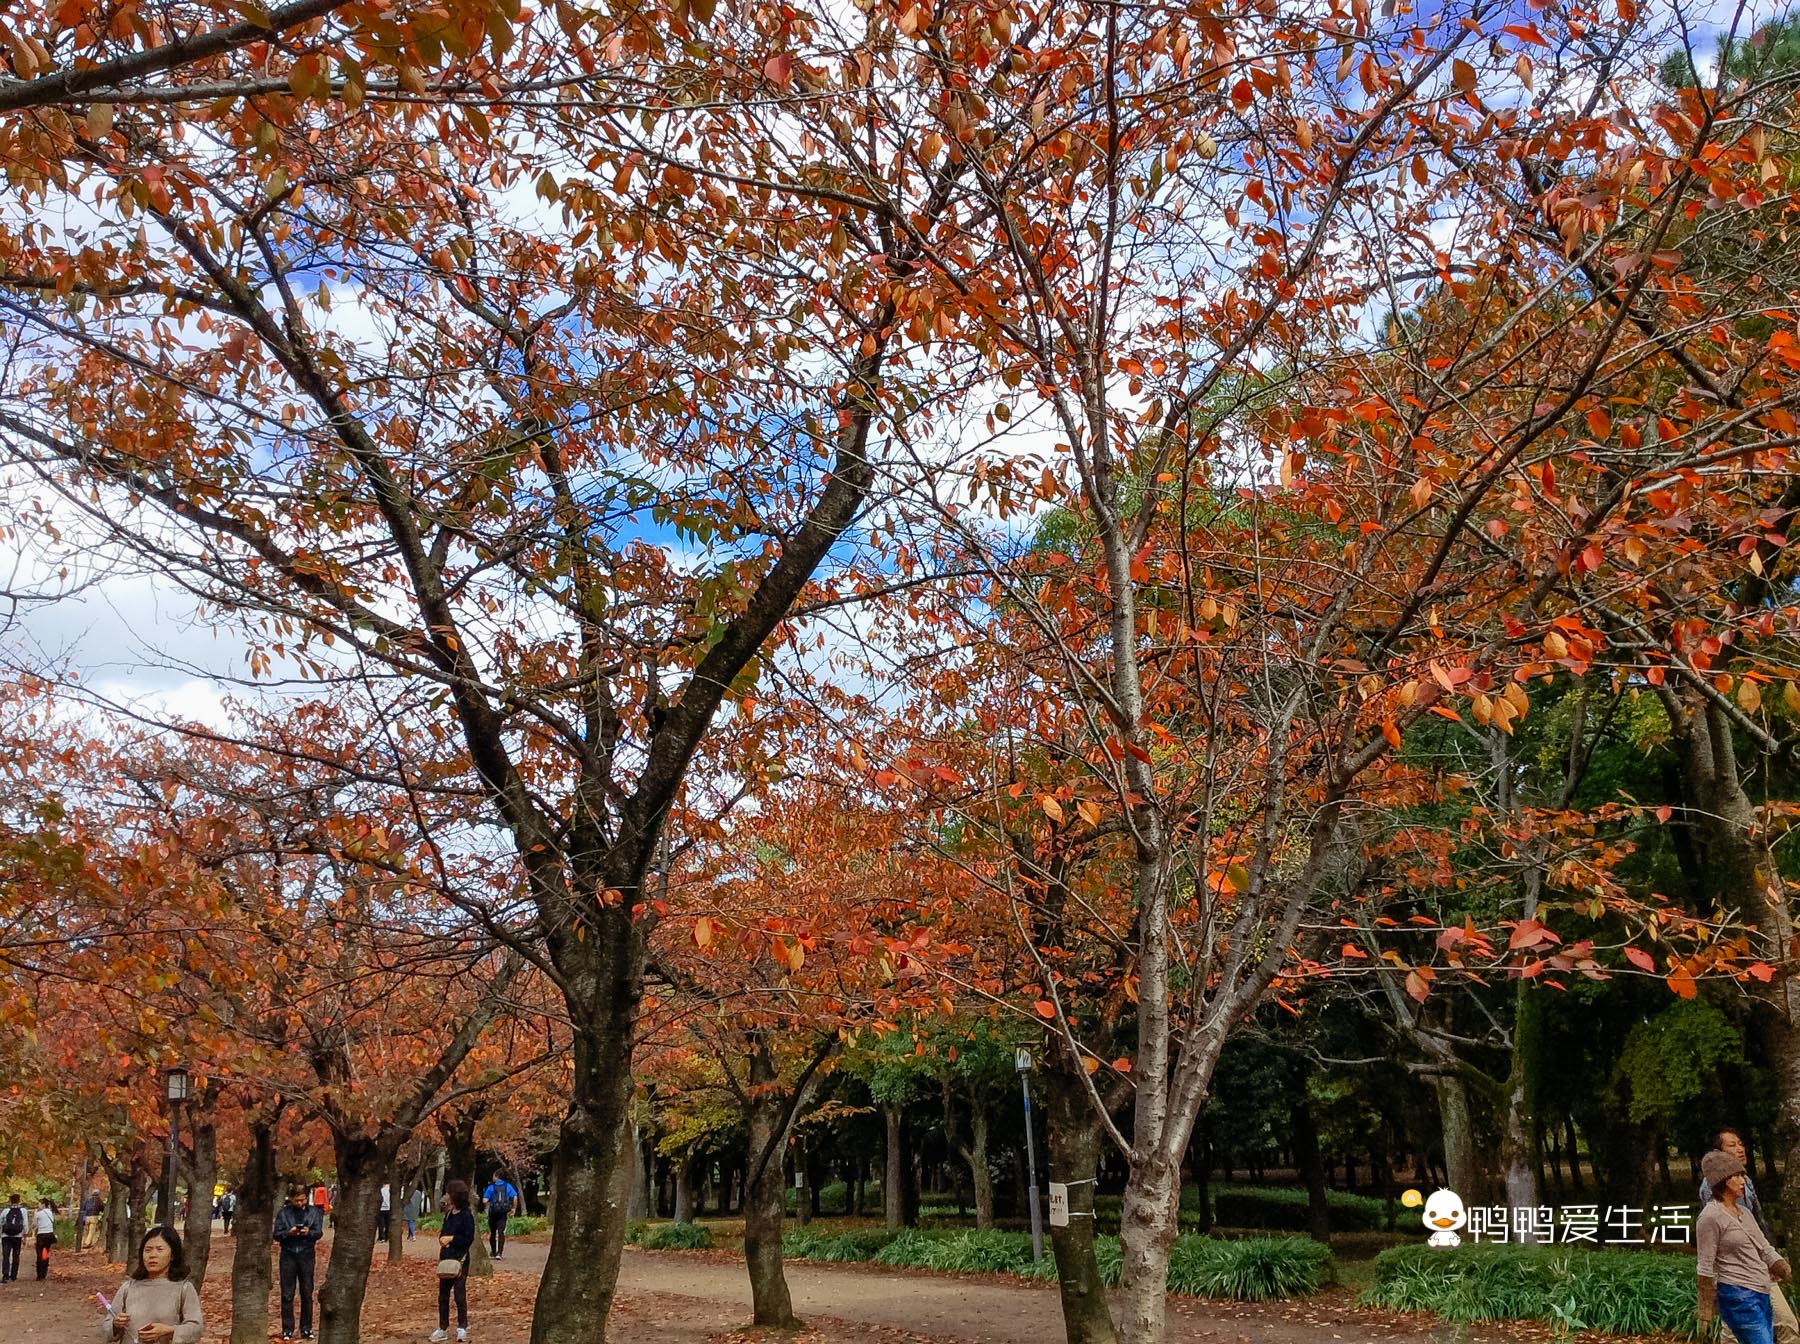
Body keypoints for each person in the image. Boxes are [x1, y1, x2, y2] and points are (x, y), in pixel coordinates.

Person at [1701, 1129, 1800, 1344]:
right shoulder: (1712, 1197)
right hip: (1736, 1283)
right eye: (1731, 1145)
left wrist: (1776, 1264)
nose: (1740, 1149)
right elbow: (1712, 1251)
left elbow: (1758, 1234)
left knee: (1785, 1328)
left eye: (1740, 1143)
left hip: (1758, 1274)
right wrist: (1706, 1306)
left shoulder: (1745, 1186)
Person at [103, 1226, 203, 1343]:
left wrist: (170, 1330)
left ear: (173, 1255)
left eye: (159, 1249)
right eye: (148, 1250)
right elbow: (107, 1326)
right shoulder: (129, 1287)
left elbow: (196, 1328)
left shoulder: (183, 1288)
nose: (152, 1255)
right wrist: (115, 1324)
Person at [272, 1183, 324, 1341]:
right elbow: (277, 1234)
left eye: (302, 1200)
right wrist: (288, 1233)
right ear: (291, 1199)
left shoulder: (314, 1212)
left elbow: (318, 1232)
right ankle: (287, 1328)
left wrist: (310, 1233)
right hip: (288, 1254)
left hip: (306, 1254)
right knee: (287, 1294)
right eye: (296, 1200)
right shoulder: (284, 1213)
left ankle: (306, 1327)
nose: (300, 1203)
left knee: (307, 1293)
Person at [432, 1180, 475, 1343]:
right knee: (443, 1295)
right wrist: (443, 1240)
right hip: (446, 1258)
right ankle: (442, 1328)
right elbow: (443, 1233)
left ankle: (462, 1327)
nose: (447, 1197)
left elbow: (468, 1238)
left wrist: (452, 1239)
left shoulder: (466, 1215)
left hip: (461, 1259)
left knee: (459, 1294)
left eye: (449, 1193)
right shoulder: (449, 1214)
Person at [481, 1174, 519, 1260]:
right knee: (501, 1232)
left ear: (497, 1176)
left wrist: (490, 1202)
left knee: (493, 1232)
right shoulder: (508, 1186)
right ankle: (500, 1253)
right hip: (503, 1212)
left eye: (493, 1176)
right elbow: (515, 1197)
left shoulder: (491, 1187)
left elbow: (484, 1200)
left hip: (493, 1212)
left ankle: (493, 1252)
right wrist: (513, 1208)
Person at [1, 1193, 24, 1283]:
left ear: (10, 1201)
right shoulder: (23, 1211)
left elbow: (1, 1222)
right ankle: (14, 1276)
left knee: (6, 1256)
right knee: (16, 1255)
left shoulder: (5, 1211)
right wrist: (24, 1235)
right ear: (19, 1200)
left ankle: (5, 1275)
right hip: (17, 1236)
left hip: (6, 1236)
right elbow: (24, 1224)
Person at [33, 1198, 56, 1280]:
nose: (38, 1205)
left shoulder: (38, 1214)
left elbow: (34, 1224)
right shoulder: (51, 1213)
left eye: (39, 1203)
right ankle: (44, 1272)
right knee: (45, 1254)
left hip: (41, 1235)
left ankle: (39, 1274)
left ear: (43, 1204)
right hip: (49, 1235)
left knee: (39, 1254)